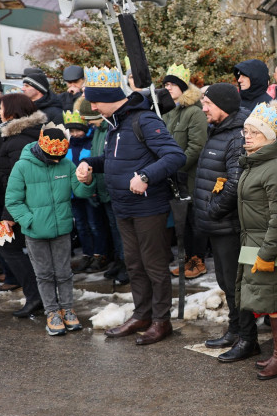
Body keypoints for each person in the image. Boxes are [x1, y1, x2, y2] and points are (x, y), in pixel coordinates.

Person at [77, 67, 186, 345]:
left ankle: (161, 321)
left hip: (148, 208)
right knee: (135, 265)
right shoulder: (115, 123)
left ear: (110, 97)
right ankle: (142, 315)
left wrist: (147, 176)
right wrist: (90, 163)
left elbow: (175, 156)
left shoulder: (144, 121)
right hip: (123, 207)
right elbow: (115, 161)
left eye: (95, 101)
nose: (92, 107)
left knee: (154, 266)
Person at [5, 125, 95, 335]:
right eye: (52, 157)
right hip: (35, 232)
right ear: (41, 149)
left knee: (64, 273)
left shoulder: (65, 163)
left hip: (62, 229)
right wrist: (29, 221)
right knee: (44, 274)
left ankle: (67, 309)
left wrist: (88, 179)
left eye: (60, 157)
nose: (56, 161)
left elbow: (81, 191)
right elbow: (12, 200)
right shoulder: (22, 166)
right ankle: (52, 312)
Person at [193, 84, 258, 362]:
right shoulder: (218, 130)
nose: (204, 108)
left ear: (224, 105)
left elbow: (235, 181)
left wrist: (214, 210)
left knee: (235, 283)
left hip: (228, 225)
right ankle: (234, 329)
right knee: (225, 280)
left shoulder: (235, 136)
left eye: (208, 103)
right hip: (216, 224)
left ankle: (248, 339)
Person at [232, 103, 277, 375]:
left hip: (268, 246)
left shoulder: (275, 166)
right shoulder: (255, 160)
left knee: (276, 301)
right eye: (246, 131)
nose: (247, 136)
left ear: (270, 137)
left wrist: (267, 252)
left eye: (255, 133)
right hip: (255, 243)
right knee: (271, 300)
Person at [0, 93, 45, 318]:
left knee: (8, 247)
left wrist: (10, 214)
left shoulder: (18, 141)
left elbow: (19, 181)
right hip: (35, 205)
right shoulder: (28, 134)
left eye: (1, 108)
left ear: (13, 112)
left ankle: (36, 296)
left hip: (24, 207)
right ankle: (40, 295)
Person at [162, 64, 209, 279]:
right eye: (166, 84)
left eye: (172, 84)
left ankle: (198, 260)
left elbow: (196, 146)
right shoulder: (170, 112)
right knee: (184, 221)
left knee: (195, 220)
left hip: (191, 176)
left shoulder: (194, 112)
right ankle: (188, 258)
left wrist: (175, 166)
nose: (168, 88)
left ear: (182, 86)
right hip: (175, 177)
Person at [79, 98, 128, 285]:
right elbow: (97, 156)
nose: (88, 123)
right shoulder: (99, 131)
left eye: (91, 118)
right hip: (103, 187)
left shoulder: (109, 128)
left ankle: (126, 264)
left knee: (121, 230)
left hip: (113, 188)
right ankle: (119, 259)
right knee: (114, 229)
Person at [63, 110, 109, 273]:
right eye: (72, 131)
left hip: (91, 191)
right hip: (74, 193)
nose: (75, 134)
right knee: (81, 225)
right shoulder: (67, 145)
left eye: (78, 130)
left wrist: (94, 187)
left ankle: (100, 253)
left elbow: (96, 166)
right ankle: (87, 253)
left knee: (95, 223)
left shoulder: (91, 142)